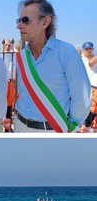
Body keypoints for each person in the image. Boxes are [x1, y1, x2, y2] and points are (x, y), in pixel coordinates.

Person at [14, 0, 91, 132]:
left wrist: (69, 127)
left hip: (51, 131)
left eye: (25, 20)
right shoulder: (22, 57)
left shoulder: (67, 53)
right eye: (18, 20)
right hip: (20, 126)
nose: (19, 26)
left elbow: (82, 99)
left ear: (45, 22)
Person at [80, 41, 97, 132]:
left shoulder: (94, 58)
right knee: (91, 108)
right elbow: (91, 63)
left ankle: (92, 127)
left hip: (94, 86)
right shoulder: (81, 59)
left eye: (90, 48)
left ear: (93, 49)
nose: (89, 50)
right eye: (86, 49)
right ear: (84, 50)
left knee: (93, 109)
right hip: (89, 86)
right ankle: (85, 126)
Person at [2, 39, 17, 132]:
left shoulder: (13, 55)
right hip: (2, 82)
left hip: (10, 82)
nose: (7, 47)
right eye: (6, 45)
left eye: (9, 45)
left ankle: (7, 127)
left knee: (9, 104)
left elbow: (14, 65)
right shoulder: (0, 55)